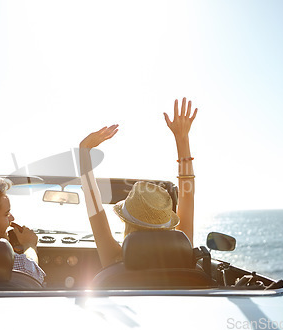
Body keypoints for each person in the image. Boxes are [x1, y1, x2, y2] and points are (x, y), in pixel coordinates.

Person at [79, 97, 197, 267]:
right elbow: (188, 193)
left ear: (127, 224)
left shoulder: (114, 259)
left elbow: (93, 204)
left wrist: (84, 151)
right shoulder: (183, 261)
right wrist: (182, 138)